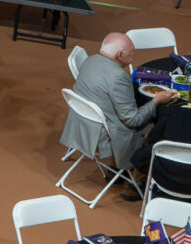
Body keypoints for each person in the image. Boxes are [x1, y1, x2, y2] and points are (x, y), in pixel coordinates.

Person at [63, 34, 165, 176]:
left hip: (84, 125)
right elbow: (132, 120)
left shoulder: (90, 60)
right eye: (132, 52)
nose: (134, 56)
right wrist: (156, 101)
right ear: (120, 54)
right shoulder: (118, 77)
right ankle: (140, 175)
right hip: (110, 135)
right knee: (162, 124)